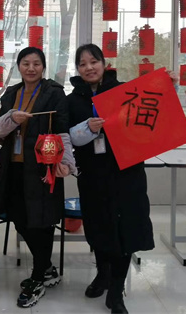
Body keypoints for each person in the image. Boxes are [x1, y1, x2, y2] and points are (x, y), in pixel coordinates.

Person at [66, 44, 154, 314]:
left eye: (94, 61)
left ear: (104, 63)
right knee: (98, 227)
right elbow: (67, 136)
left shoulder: (125, 92)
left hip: (127, 173)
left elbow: (150, 116)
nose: (89, 67)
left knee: (125, 230)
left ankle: (116, 291)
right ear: (77, 69)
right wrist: (87, 128)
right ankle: (102, 275)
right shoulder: (72, 100)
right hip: (92, 175)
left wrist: (169, 88)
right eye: (82, 64)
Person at [0, 46, 76, 309]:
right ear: (19, 66)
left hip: (43, 168)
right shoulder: (12, 93)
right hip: (13, 167)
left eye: (36, 63)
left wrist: (66, 162)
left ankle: (38, 277)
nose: (31, 68)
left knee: (42, 222)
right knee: (18, 217)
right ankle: (47, 267)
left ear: (43, 67)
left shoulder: (54, 93)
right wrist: (11, 118)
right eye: (25, 63)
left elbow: (63, 131)